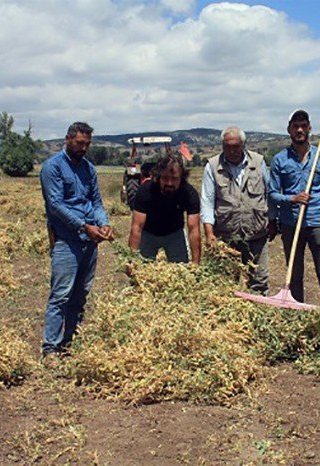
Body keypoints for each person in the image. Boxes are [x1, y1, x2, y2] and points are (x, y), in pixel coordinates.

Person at [40, 122, 114, 359]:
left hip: (89, 242)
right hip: (67, 240)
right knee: (61, 295)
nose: (84, 148)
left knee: (80, 294)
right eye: (80, 143)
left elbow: (96, 201)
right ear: (68, 139)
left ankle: (69, 342)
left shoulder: (88, 168)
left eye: (87, 144)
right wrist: (83, 226)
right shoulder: (52, 168)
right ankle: (50, 348)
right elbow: (56, 205)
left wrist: (103, 223)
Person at [269, 110, 320, 305]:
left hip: (319, 223)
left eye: (303, 125)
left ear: (309, 128)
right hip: (291, 224)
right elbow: (273, 194)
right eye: (295, 126)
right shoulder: (279, 160)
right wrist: (292, 198)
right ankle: (297, 312)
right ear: (289, 129)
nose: (299, 130)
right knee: (294, 274)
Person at [201, 126, 277, 294]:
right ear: (222, 146)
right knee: (227, 281)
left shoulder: (258, 162)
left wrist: (272, 220)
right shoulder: (213, 166)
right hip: (227, 235)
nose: (232, 150)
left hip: (257, 233)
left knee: (259, 280)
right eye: (227, 146)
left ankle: (259, 314)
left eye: (236, 146)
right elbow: (207, 201)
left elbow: (269, 194)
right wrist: (209, 233)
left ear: (243, 145)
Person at [129, 154, 201, 264]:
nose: (169, 183)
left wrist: (196, 263)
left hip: (174, 233)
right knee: (142, 269)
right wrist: (132, 261)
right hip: (149, 233)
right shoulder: (146, 190)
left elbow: (194, 228)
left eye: (175, 179)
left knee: (180, 271)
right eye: (165, 178)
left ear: (182, 178)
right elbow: (137, 227)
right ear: (158, 177)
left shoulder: (189, 193)